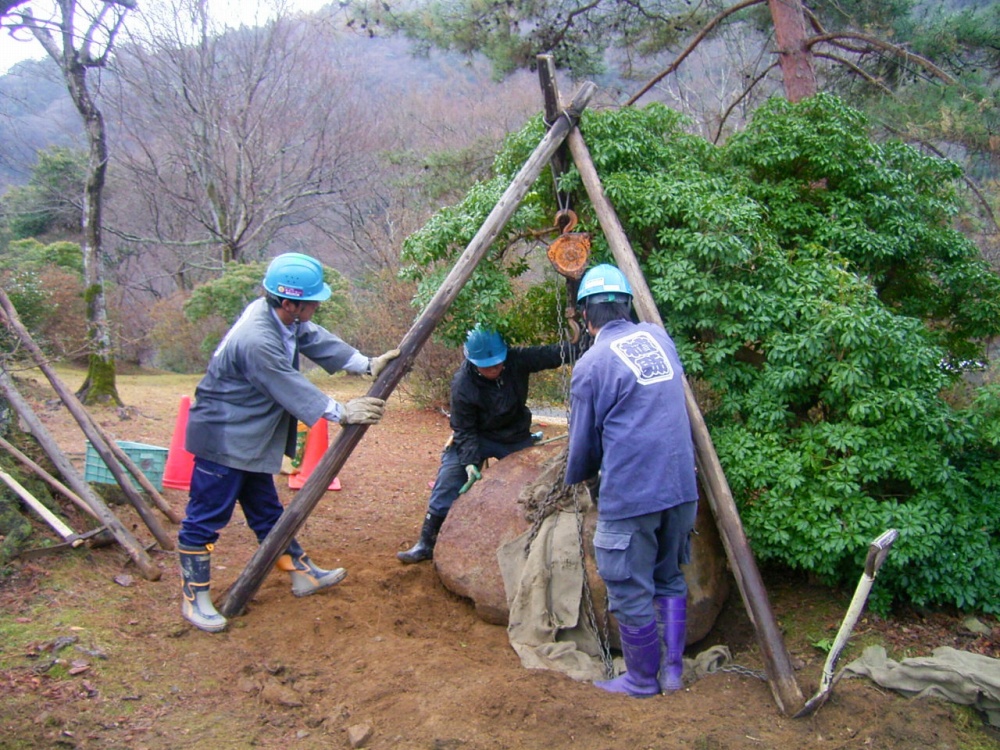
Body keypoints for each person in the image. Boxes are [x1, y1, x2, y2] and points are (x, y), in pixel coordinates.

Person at [178, 252, 399, 633]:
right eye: (312, 301)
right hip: (224, 436)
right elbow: (286, 382)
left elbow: (313, 338)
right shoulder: (257, 340)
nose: (317, 305)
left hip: (251, 436)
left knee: (265, 510)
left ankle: (301, 572)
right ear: (288, 302)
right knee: (207, 516)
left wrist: (365, 363)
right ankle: (194, 597)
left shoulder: (284, 319)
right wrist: (342, 411)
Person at [564, 263, 698, 698]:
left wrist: (578, 479)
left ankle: (642, 679)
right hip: (681, 487)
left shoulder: (592, 364)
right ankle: (672, 672)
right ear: (627, 305)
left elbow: (584, 441)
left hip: (634, 492)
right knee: (669, 575)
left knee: (627, 585)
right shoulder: (659, 338)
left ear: (585, 316)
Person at [397, 325, 579, 564]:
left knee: (534, 482)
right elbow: (464, 429)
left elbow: (550, 354)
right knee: (450, 478)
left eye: (498, 362)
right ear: (473, 361)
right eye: (487, 365)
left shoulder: (516, 360)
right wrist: (471, 462)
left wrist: (580, 347)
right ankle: (426, 542)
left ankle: (534, 538)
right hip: (478, 438)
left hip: (514, 435)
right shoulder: (463, 384)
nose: (494, 368)